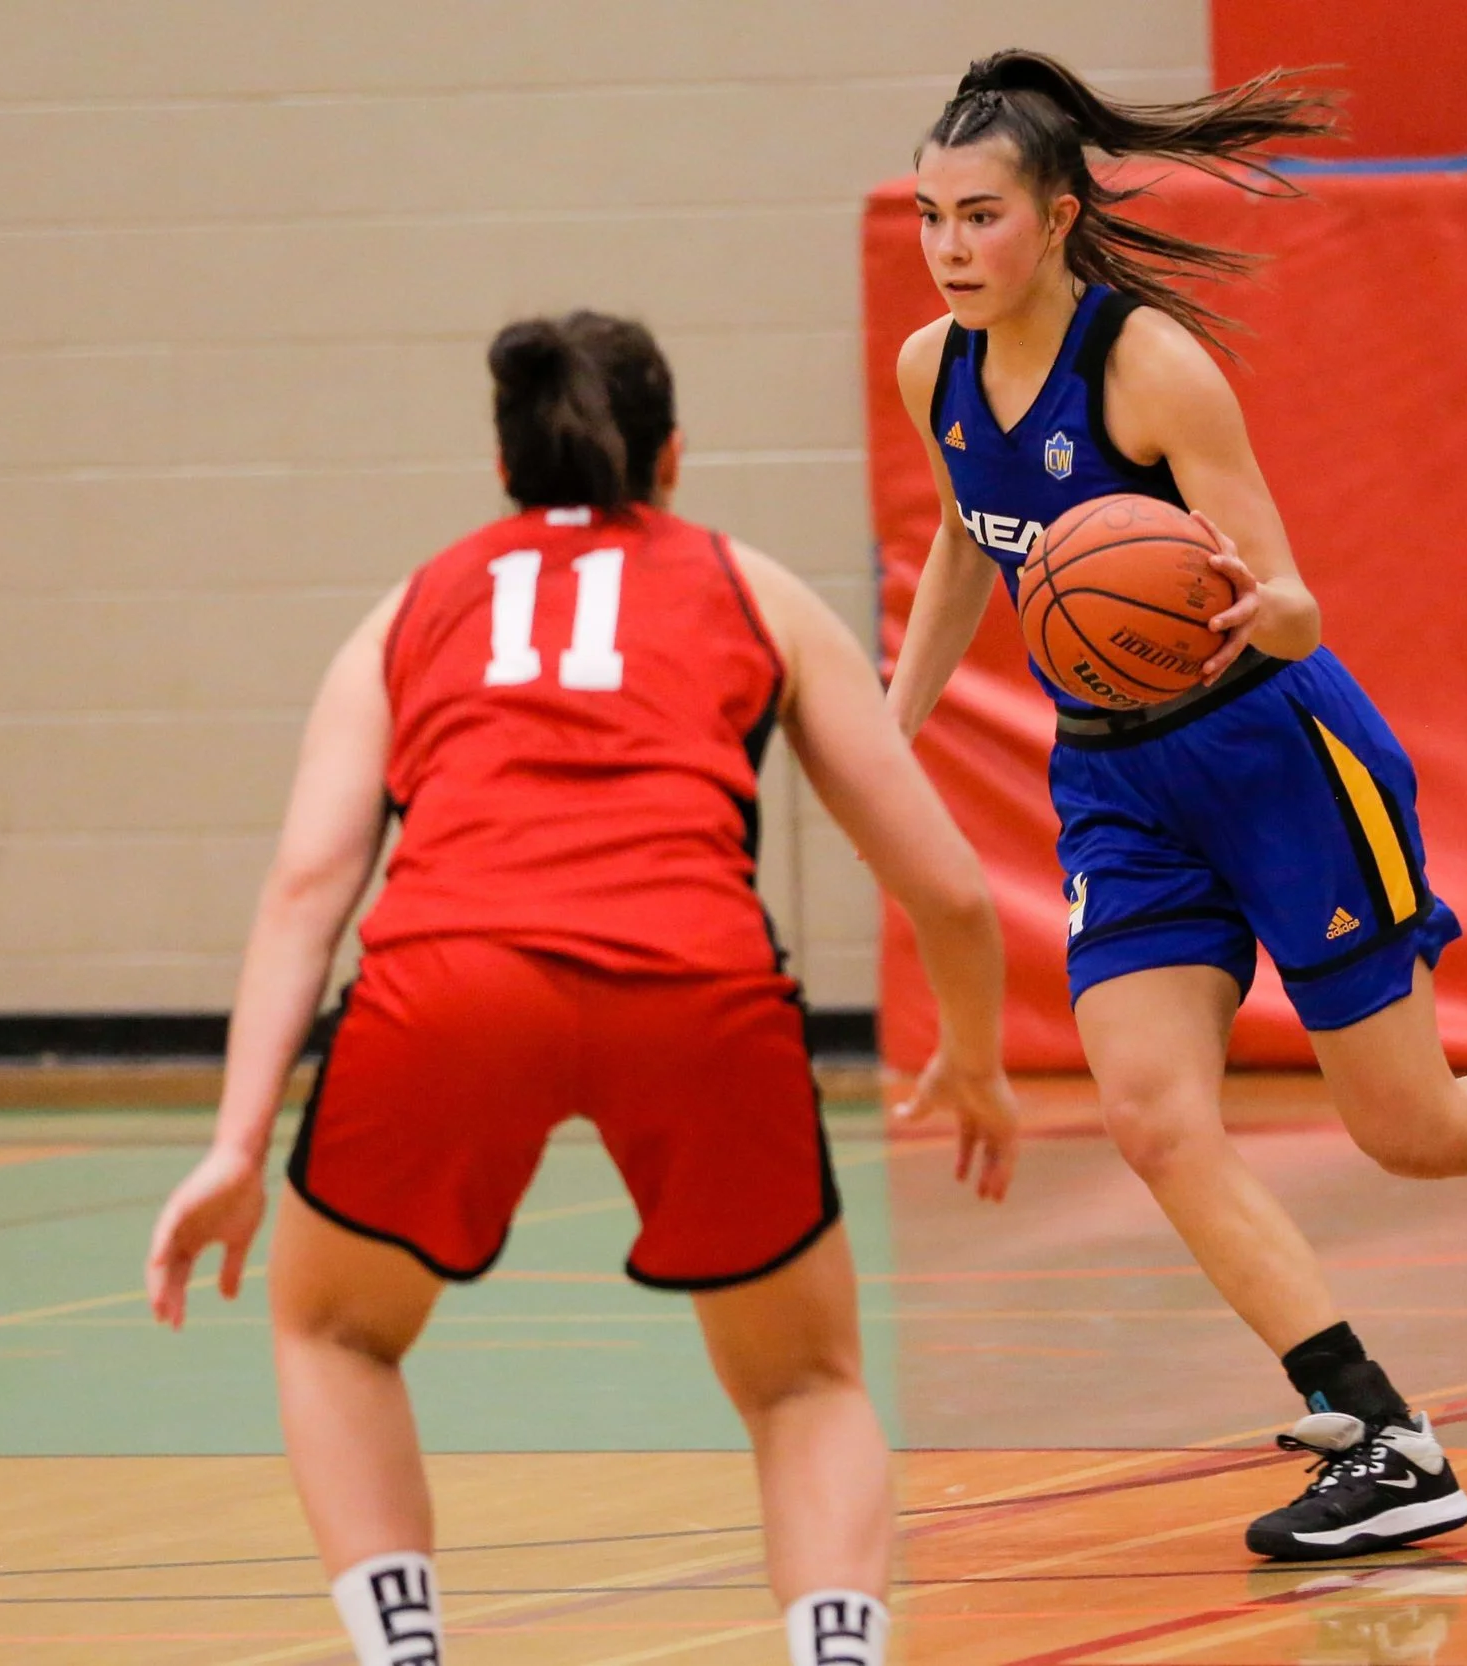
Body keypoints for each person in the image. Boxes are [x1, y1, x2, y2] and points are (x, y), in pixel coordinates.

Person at [889, 50, 1467, 1562]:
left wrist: (1262, 603)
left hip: (1270, 745)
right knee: (1155, 1118)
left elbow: (1289, 598)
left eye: (980, 216)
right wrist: (885, 720)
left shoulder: (1149, 364)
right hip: (1112, 778)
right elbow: (975, 538)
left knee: (1409, 1128)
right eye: (930, 217)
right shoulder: (936, 370)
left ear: (1053, 219)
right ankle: (1378, 1430)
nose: (952, 247)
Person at [145, 312, 1020, 1666]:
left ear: (503, 469)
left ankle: (405, 1649)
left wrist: (235, 1143)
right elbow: (953, 891)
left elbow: (306, 886)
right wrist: (974, 1054)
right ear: (673, 458)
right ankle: (838, 1650)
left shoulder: (415, 603)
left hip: (450, 981)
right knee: (801, 1376)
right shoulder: (755, 591)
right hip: (697, 982)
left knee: (333, 1327)